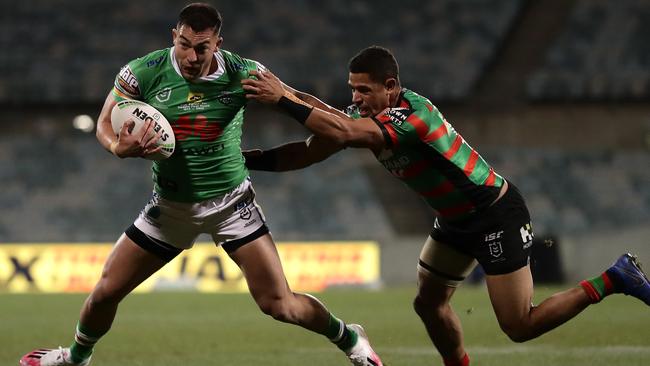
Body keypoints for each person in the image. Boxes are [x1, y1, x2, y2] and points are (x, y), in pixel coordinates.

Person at [19, 5, 383, 366]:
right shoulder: (142, 72)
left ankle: (351, 339)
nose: (191, 56)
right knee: (104, 293)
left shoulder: (244, 73)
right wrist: (117, 146)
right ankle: (76, 358)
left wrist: (344, 122)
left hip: (232, 206)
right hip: (171, 209)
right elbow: (104, 122)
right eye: (183, 44)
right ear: (173, 37)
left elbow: (301, 100)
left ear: (217, 44)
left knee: (279, 305)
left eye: (202, 47)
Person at [240, 45, 650, 366]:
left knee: (520, 325)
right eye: (352, 89)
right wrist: (245, 157)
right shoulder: (369, 115)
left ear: (391, 85)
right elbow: (317, 142)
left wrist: (282, 100)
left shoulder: (412, 117)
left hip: (494, 214)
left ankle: (614, 278)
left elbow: (342, 129)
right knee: (429, 304)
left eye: (364, 90)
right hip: (455, 222)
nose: (356, 97)